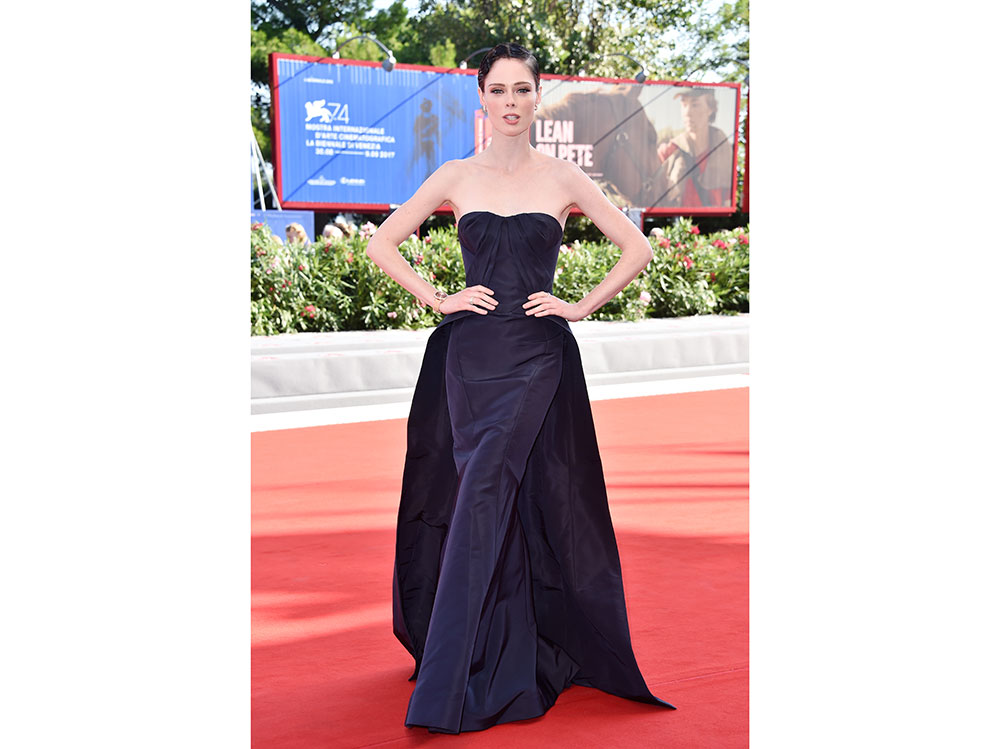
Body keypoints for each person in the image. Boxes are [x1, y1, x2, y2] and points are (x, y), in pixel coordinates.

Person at [365, 42, 675, 735]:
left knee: (492, 491)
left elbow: (638, 247)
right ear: (481, 97)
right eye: (498, 90)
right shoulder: (456, 174)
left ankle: (459, 675)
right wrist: (437, 296)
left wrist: (579, 305)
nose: (510, 102)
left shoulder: (563, 176)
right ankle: (475, 655)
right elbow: (381, 243)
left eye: (522, 90)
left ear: (538, 97)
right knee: (482, 495)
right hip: (471, 357)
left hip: (537, 356)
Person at [655, 87, 734, 207]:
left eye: (695, 105)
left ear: (710, 109)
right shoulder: (668, 151)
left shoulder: (722, 150)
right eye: (684, 105)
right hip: (674, 218)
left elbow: (727, 200)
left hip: (712, 218)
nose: (687, 112)